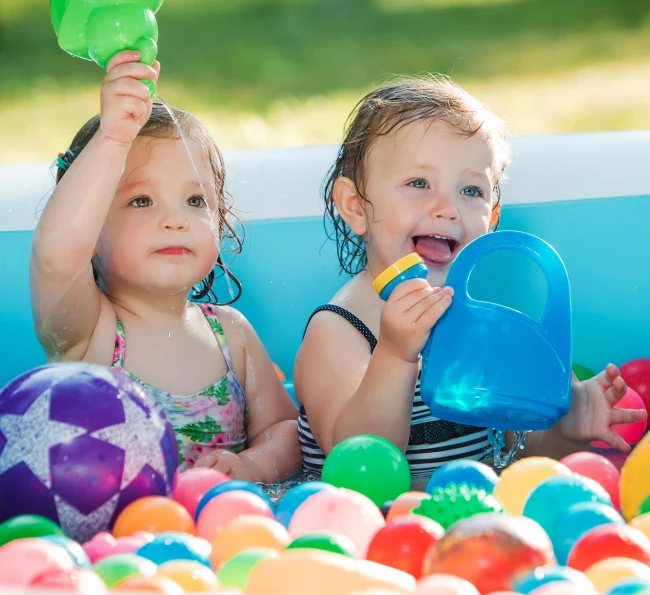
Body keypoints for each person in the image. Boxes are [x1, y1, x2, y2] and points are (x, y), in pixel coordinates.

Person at [294, 76, 646, 475]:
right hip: (374, 513)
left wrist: (566, 429)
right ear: (356, 207)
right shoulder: (338, 330)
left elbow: (515, 453)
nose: (447, 208)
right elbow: (357, 459)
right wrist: (393, 354)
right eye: (418, 183)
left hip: (471, 506)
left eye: (471, 191)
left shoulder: (483, 328)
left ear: (491, 219)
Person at [31, 51, 301, 482]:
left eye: (195, 200)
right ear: (91, 231)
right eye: (141, 200)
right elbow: (57, 255)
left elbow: (284, 429)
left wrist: (251, 464)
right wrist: (112, 140)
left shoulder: (231, 335)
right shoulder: (89, 334)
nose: (175, 220)